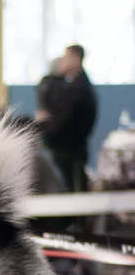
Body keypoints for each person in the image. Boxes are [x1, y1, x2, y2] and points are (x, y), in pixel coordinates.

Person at [36, 44, 98, 192]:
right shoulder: (74, 85)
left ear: (76, 58)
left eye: (66, 57)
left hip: (70, 150)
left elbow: (61, 117)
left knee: (73, 189)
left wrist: (42, 126)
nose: (63, 61)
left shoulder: (78, 88)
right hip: (71, 148)